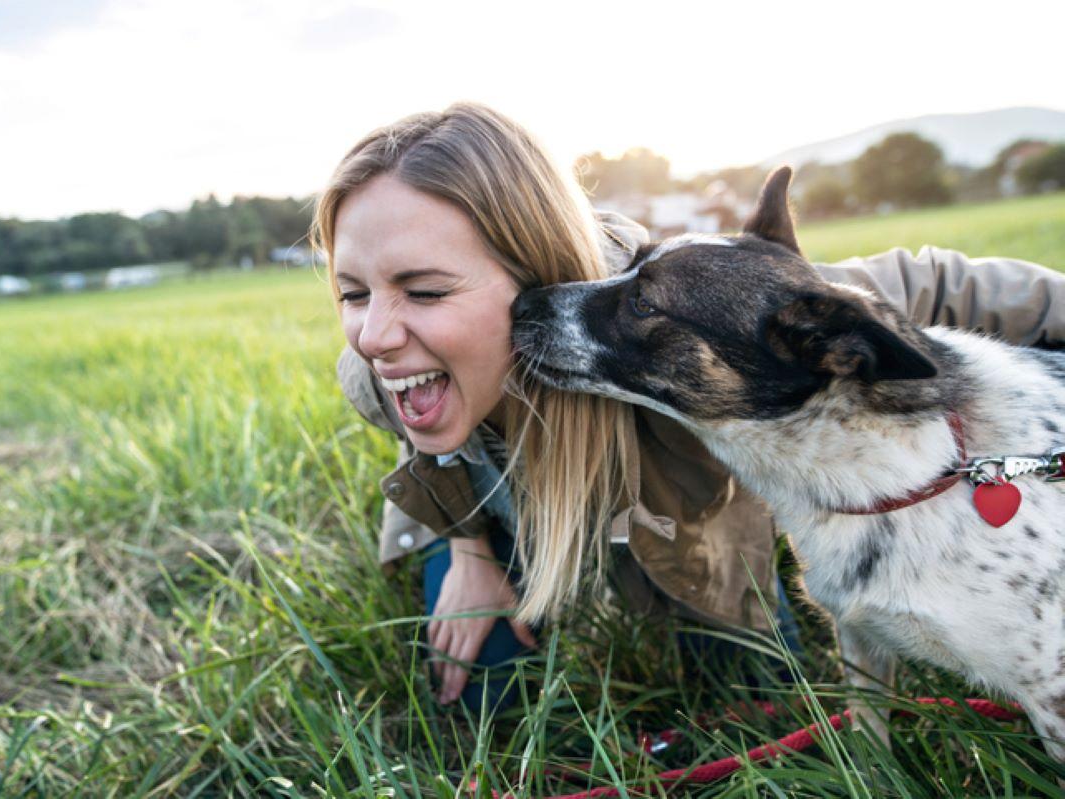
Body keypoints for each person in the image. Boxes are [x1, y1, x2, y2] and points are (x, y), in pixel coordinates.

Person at [313, 101, 1065, 712]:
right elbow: (436, 454)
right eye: (352, 292)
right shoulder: (379, 373)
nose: (375, 334)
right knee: (481, 701)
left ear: (531, 267)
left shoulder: (676, 309)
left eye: (426, 289)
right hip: (514, 508)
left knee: (752, 696)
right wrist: (469, 554)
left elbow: (926, 282)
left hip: (677, 526)